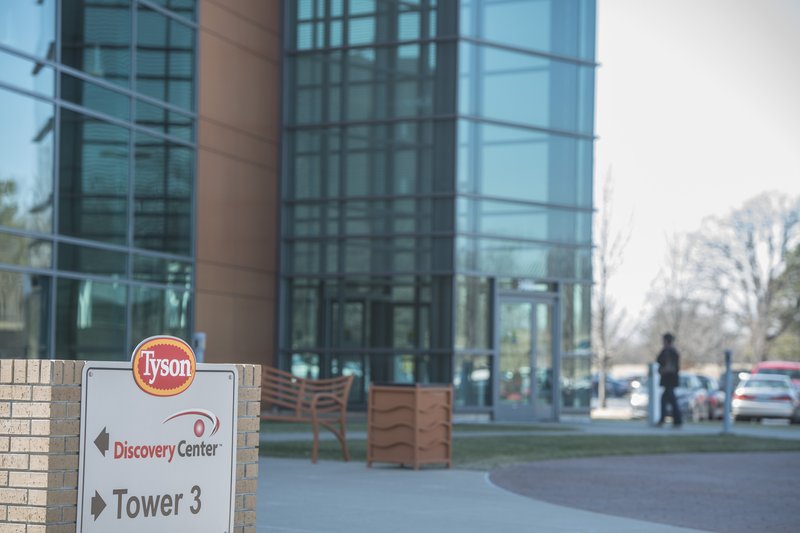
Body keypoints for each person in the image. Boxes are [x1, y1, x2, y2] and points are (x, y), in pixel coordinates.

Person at [656, 332, 682, 427]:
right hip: (671, 380)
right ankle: (675, 420)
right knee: (667, 400)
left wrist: (662, 370)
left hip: (668, 379)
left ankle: (674, 420)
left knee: (669, 400)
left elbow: (664, 363)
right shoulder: (673, 351)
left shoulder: (668, 351)